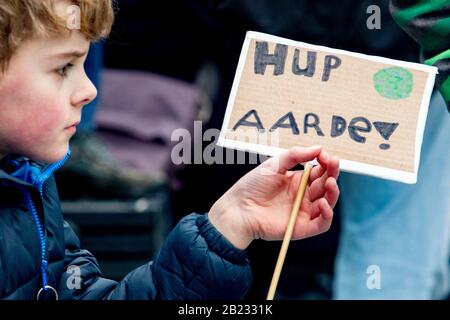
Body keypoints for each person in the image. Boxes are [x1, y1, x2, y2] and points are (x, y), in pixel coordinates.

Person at [0, 0, 340, 300]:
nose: (89, 91)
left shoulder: (31, 187)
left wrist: (229, 224)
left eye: (84, 65)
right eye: (63, 68)